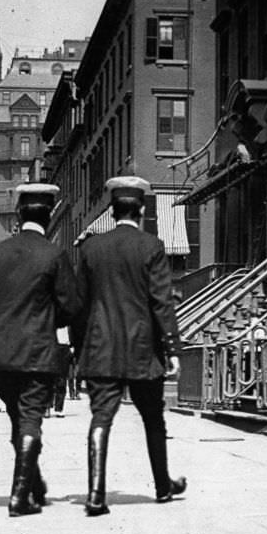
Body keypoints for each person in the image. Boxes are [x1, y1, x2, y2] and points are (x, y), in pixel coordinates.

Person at [72, 175, 186, 516]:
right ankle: (163, 488)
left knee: (101, 418)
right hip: (142, 351)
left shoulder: (90, 249)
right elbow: (161, 302)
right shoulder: (151, 246)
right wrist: (173, 350)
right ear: (139, 211)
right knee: (153, 418)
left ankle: (95, 495)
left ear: (111, 211)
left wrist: (80, 351)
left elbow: (79, 306)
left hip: (101, 349)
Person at [0, 183, 79, 517]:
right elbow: (69, 307)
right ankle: (20, 497)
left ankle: (34, 485)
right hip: (35, 354)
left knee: (17, 418)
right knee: (30, 420)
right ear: (48, 217)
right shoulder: (54, 255)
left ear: (19, 215)